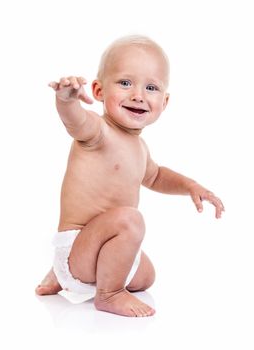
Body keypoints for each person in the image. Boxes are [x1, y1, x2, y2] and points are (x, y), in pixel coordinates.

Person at [35, 35, 224, 317]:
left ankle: (63, 278)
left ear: (165, 101)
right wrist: (66, 100)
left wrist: (190, 186)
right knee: (130, 219)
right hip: (78, 248)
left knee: (147, 276)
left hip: (99, 249)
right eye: (125, 83)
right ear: (98, 90)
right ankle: (107, 293)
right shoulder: (97, 132)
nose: (138, 95)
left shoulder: (139, 147)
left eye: (151, 87)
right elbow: (74, 120)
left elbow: (156, 176)